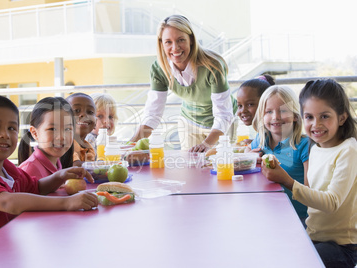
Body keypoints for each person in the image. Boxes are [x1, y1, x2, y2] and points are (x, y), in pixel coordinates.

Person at [0, 95, 97, 259]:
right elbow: (8, 202)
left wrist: (60, 176)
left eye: (12, 128)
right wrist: (67, 202)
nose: (5, 135)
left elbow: (36, 187)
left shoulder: (9, 169)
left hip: (5, 252)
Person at [263, 79, 357, 268]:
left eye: (324, 116)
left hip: (343, 246)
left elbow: (331, 203)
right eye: (309, 117)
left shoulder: (349, 150)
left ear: (342, 117)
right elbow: (311, 192)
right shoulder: (316, 147)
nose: (316, 124)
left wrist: (288, 181)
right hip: (313, 236)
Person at [129, 15, 235, 152]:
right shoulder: (159, 68)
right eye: (168, 42)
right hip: (189, 122)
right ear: (161, 43)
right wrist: (130, 144)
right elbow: (153, 114)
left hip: (221, 125)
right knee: (191, 169)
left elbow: (224, 115)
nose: (175, 48)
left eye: (181, 40)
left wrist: (206, 144)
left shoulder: (212, 66)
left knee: (219, 168)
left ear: (191, 40)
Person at [250, 85, 309, 222]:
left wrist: (284, 179)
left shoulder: (305, 145)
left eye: (283, 111)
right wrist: (249, 155)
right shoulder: (261, 139)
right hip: (266, 212)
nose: (275, 117)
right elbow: (249, 154)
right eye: (269, 112)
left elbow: (309, 192)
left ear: (295, 115)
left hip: (298, 218)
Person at [18, 97, 75, 179]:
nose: (61, 137)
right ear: (35, 133)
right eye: (52, 129)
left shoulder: (57, 164)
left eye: (68, 129)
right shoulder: (30, 170)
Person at [235, 75, 275, 142]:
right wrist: (254, 143)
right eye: (240, 106)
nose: (243, 110)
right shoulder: (263, 133)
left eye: (250, 104)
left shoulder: (276, 132)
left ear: (267, 103)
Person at [66, 93, 97, 166]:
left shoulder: (88, 147)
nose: (84, 115)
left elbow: (91, 171)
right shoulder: (66, 144)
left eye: (90, 112)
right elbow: (76, 166)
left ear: (96, 122)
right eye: (76, 110)